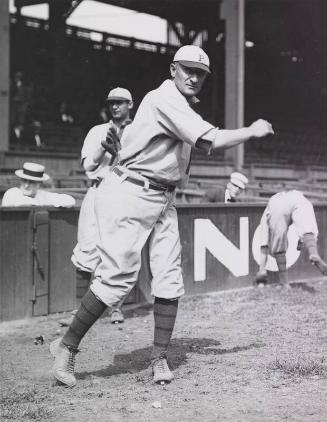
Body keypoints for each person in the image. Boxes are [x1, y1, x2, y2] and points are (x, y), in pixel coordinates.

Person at [49, 44, 274, 387]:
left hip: (162, 197)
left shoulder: (181, 104)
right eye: (188, 70)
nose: (194, 77)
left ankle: (159, 358)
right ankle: (66, 348)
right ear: (173, 70)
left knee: (169, 278)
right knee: (118, 280)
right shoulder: (162, 98)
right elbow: (208, 141)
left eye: (200, 73)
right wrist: (252, 131)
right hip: (130, 192)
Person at [71, 87, 133, 325]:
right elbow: (88, 166)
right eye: (111, 103)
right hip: (98, 190)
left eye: (120, 102)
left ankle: (115, 308)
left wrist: (119, 155)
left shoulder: (140, 131)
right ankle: (80, 310)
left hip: (125, 193)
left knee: (119, 251)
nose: (115, 106)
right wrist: (102, 148)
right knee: (86, 249)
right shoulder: (98, 130)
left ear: (131, 104)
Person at [254, 189, 327, 286]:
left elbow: (264, 246)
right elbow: (307, 233)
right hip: (298, 196)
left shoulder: (267, 215)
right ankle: (313, 253)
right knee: (308, 231)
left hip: (277, 204)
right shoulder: (290, 196)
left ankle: (285, 283)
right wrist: (302, 244)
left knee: (278, 247)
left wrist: (261, 271)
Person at [1, 162, 76, 207]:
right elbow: (22, 202)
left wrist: (46, 201)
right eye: (24, 181)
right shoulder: (12, 192)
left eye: (31, 182)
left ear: (39, 184)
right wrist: (44, 203)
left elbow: (70, 201)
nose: (26, 185)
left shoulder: (41, 195)